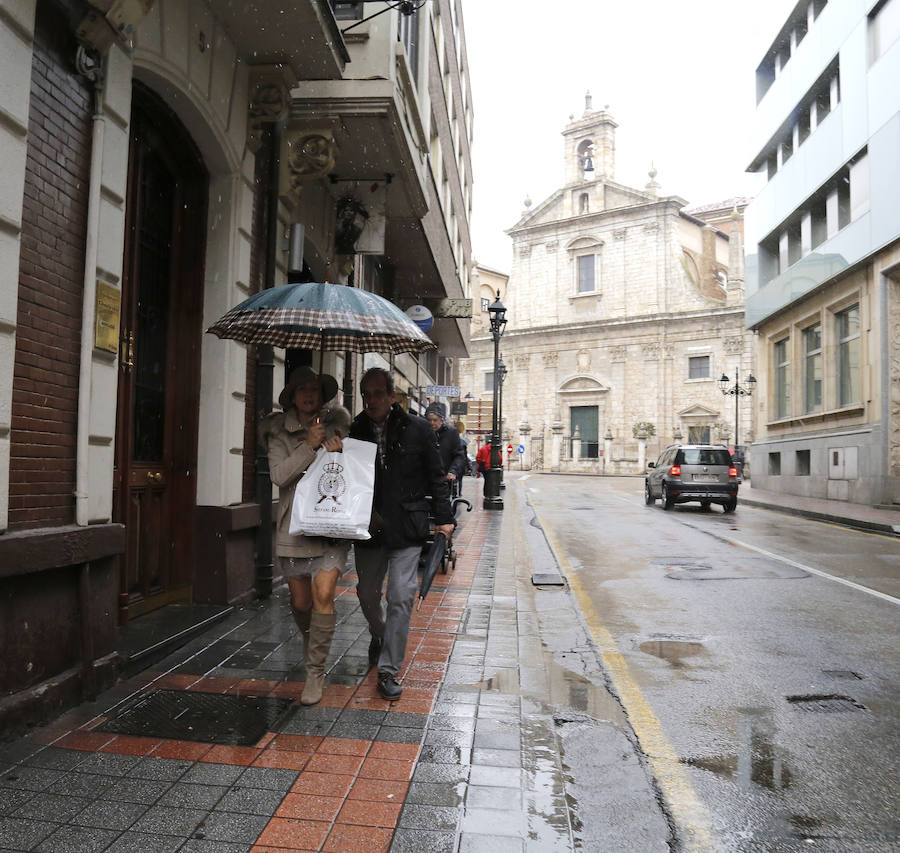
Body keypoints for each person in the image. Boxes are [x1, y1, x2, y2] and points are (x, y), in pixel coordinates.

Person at [349, 368, 455, 700]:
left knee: (400, 596)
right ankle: (380, 634)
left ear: (393, 396)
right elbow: (353, 479)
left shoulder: (419, 428)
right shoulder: (356, 428)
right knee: (367, 594)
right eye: (366, 394)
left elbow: (436, 476)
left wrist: (444, 518)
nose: (371, 400)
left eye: (378, 393)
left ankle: (389, 669)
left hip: (408, 526)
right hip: (370, 528)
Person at [259, 366, 351, 706]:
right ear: (292, 396)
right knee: (301, 603)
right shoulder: (277, 432)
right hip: (293, 527)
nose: (309, 395)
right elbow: (280, 477)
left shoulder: (339, 427)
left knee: (324, 592)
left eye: (314, 389)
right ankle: (314, 646)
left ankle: (315, 671)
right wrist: (309, 447)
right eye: (302, 390)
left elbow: (349, 474)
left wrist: (339, 453)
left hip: (329, 527)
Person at [424, 402, 468, 497]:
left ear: (441, 420)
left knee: (442, 507)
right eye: (429, 420)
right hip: (424, 480)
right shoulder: (422, 432)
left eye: (435, 420)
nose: (432, 423)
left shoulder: (451, 433)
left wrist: (453, 471)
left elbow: (459, 456)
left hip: (443, 480)